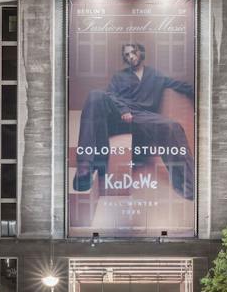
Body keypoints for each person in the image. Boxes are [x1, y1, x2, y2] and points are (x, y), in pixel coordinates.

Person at [72, 41, 196, 200]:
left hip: (143, 116)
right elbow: (109, 95)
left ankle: (189, 184)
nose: (130, 57)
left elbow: (179, 85)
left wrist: (199, 92)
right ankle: (85, 166)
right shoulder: (119, 76)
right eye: (127, 55)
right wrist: (123, 109)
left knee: (172, 126)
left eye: (133, 53)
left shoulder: (155, 75)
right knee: (95, 94)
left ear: (140, 53)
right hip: (118, 115)